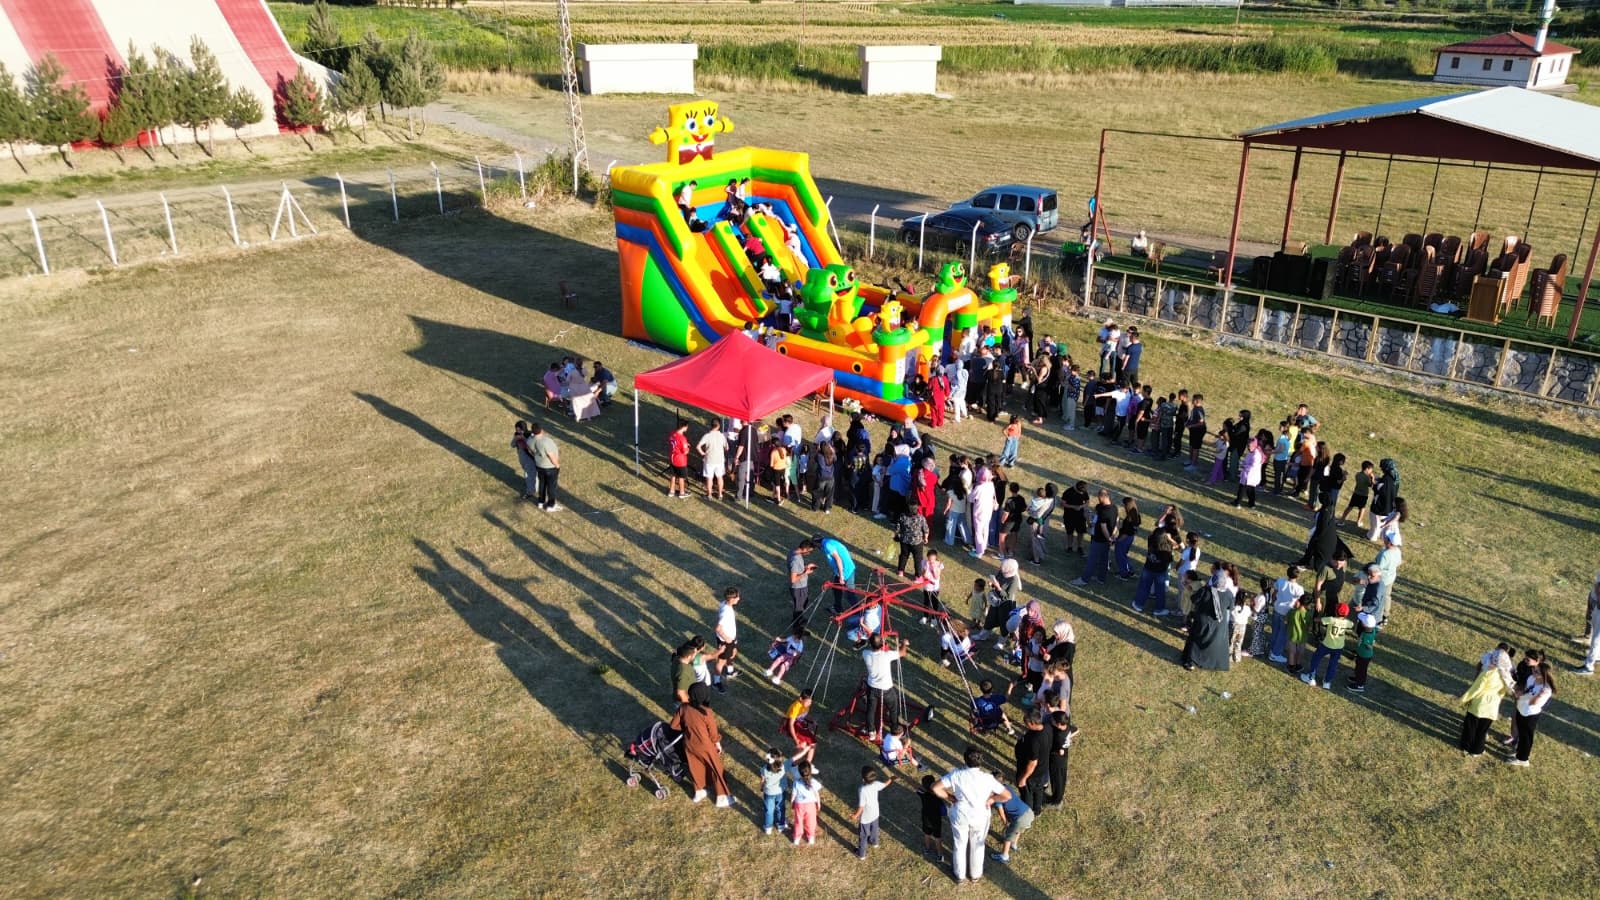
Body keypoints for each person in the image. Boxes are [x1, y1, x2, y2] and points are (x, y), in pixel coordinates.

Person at [933, 746, 1011, 884]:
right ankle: (975, 875)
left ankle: (959, 875)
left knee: (959, 844)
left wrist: (949, 797)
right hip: (980, 815)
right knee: (978, 845)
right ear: (981, 761)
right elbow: (1007, 795)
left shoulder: (956, 774)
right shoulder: (987, 778)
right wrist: (992, 799)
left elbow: (935, 787)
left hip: (960, 814)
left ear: (965, 760)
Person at [669, 682, 733, 806]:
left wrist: (687, 730)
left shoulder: (683, 708)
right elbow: (713, 734)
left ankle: (699, 791)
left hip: (689, 745)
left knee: (695, 767)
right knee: (716, 768)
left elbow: (673, 725)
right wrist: (717, 744)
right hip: (706, 746)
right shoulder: (706, 712)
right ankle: (722, 797)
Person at [1459, 649, 1515, 756]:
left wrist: (1465, 699)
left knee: (1471, 727)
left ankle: (1466, 746)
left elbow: (1477, 688)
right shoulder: (1507, 677)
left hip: (1479, 704)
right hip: (1492, 707)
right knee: (1482, 730)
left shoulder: (1488, 672)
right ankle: (1477, 750)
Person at [1509, 661, 1556, 766]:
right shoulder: (1531, 678)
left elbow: (1533, 703)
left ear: (1544, 675)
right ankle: (1519, 753)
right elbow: (1524, 689)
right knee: (1521, 733)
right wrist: (1517, 692)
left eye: (1537, 672)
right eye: (1534, 670)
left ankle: (1523, 759)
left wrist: (1535, 696)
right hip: (1521, 708)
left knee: (1526, 737)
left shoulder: (1546, 689)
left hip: (1530, 714)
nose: (1533, 672)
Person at [1181, 573, 1231, 671]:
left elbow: (1194, 599)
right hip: (1218, 624)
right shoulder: (1228, 594)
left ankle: (1190, 662)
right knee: (1212, 644)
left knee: (1195, 642)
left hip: (1203, 622)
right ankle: (1213, 663)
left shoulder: (1205, 591)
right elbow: (1230, 607)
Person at [861, 633, 905, 742]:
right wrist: (904, 644)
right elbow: (903, 653)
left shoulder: (865, 653)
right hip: (886, 689)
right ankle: (895, 728)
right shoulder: (887, 655)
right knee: (893, 708)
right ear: (882, 644)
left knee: (870, 709)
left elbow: (873, 646)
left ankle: (871, 731)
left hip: (872, 688)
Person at [1299, 602, 1354, 689]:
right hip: (1339, 647)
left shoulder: (1331, 619)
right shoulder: (1347, 623)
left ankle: (1311, 677)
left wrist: (1316, 617)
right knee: (1333, 664)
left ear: (1336, 612)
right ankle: (1327, 682)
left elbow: (1318, 620)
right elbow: (1352, 624)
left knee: (1316, 658)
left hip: (1326, 645)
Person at [1071, 489, 1116, 586]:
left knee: (1091, 560)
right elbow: (1116, 522)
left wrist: (1108, 538)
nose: (1098, 499)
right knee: (1104, 559)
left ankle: (1084, 579)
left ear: (1104, 497)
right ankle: (1101, 578)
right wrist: (1112, 537)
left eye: (1099, 497)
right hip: (1108, 539)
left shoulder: (1104, 511)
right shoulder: (1114, 508)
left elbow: (1103, 527)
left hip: (1099, 539)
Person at [1012, 710, 1051, 815]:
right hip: (1043, 769)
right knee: (1038, 790)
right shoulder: (1047, 728)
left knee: (1027, 793)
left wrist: (1023, 778)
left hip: (1032, 774)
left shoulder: (1035, 741)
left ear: (1033, 723)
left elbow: (1032, 763)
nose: (1026, 725)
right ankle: (1037, 809)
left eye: (1027, 724)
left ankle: (1027, 811)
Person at [849, 767, 892, 859]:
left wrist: (855, 816)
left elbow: (861, 806)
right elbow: (885, 784)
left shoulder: (862, 790)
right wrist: (891, 779)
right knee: (874, 829)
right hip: (875, 813)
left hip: (866, 818)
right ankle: (874, 842)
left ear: (863, 779)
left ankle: (861, 854)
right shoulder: (876, 784)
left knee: (863, 835)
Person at [989, 781, 1035, 866]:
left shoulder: (998, 797)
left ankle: (1004, 856)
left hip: (1020, 818)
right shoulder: (1007, 787)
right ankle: (1014, 844)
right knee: (1017, 831)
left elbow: (1001, 812)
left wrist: (1005, 824)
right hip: (1029, 812)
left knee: (1008, 835)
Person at [1269, 566, 1304, 664]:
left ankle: (1272, 647)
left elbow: (1274, 594)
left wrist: (1273, 602)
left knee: (1275, 630)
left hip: (1277, 609)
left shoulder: (1280, 581)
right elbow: (1298, 603)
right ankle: (1275, 654)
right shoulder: (1299, 589)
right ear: (1297, 576)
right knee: (1283, 634)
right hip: (1287, 613)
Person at [785, 757, 823, 845]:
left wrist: (792, 803)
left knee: (798, 821)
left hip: (799, 805)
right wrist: (819, 803)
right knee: (811, 821)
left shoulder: (796, 782)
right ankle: (811, 837)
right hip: (811, 806)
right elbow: (816, 794)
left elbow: (793, 795)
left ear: (799, 772)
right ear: (810, 771)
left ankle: (797, 838)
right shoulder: (813, 782)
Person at [711, 587, 741, 693]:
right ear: (731, 599)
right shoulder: (726, 612)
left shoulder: (724, 603)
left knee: (733, 653)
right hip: (725, 640)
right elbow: (718, 628)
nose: (739, 598)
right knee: (721, 662)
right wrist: (726, 638)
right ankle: (716, 682)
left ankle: (730, 671)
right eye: (737, 597)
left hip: (731, 638)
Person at [759, 749, 796, 835]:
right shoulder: (784, 767)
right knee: (780, 808)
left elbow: (762, 781)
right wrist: (806, 749)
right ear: (779, 759)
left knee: (769, 810)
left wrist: (761, 788)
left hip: (768, 793)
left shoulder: (764, 769)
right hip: (780, 792)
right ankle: (781, 825)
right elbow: (794, 758)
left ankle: (768, 828)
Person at [819, 534, 856, 615]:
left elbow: (838, 559)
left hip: (846, 571)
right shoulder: (829, 541)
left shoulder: (827, 545)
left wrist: (841, 576)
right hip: (843, 570)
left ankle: (859, 613)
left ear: (817, 543)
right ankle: (838, 608)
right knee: (836, 589)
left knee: (850, 594)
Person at [782, 687, 818, 768]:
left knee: (803, 745)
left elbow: (804, 715)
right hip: (792, 725)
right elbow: (791, 724)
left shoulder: (806, 705)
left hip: (799, 723)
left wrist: (811, 720)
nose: (810, 703)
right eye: (808, 701)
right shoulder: (796, 707)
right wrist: (796, 740)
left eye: (811, 701)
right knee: (813, 743)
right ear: (801, 699)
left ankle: (794, 765)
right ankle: (807, 765)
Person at [528, 423, 561, 511]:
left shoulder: (530, 440)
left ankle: (541, 502)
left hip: (539, 466)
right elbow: (551, 455)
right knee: (551, 486)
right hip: (550, 467)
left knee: (542, 484)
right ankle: (551, 505)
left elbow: (530, 450)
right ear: (542, 430)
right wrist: (557, 465)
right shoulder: (545, 441)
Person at [1045, 710, 1075, 806]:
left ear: (1058, 724)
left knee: (1057, 780)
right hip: (1064, 756)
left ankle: (1056, 801)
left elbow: (1060, 751)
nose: (1051, 721)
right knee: (1061, 777)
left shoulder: (1059, 736)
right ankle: (1058, 796)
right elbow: (1076, 730)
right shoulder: (1067, 726)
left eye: (1053, 721)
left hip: (1057, 760)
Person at [786, 538, 817, 630]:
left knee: (803, 603)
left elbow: (796, 569)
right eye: (809, 551)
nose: (809, 553)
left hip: (801, 587)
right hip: (798, 588)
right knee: (799, 607)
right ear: (804, 549)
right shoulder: (795, 560)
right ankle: (797, 626)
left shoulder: (793, 552)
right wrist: (805, 573)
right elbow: (793, 579)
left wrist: (806, 567)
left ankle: (799, 619)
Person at [1347, 611, 1379, 692]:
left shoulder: (1367, 635)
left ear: (1364, 625)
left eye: (1362, 621)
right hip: (1362, 654)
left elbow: (1369, 646)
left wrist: (1369, 645)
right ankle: (1358, 679)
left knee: (1361, 669)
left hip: (1364, 656)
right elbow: (1376, 629)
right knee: (1359, 667)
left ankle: (1359, 685)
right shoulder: (1373, 630)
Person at [917, 775, 946, 862]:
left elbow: (917, 789)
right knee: (937, 837)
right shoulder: (938, 795)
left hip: (925, 817)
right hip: (936, 818)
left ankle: (927, 848)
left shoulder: (922, 794)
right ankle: (940, 855)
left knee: (926, 834)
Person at [697, 422, 729, 500]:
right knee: (720, 477)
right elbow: (727, 448)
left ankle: (709, 495)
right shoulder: (722, 436)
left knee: (709, 478)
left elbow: (698, 446)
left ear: (711, 425)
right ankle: (720, 494)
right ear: (719, 426)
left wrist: (703, 453)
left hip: (709, 460)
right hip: (720, 460)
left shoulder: (707, 436)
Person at [1112, 496, 1141, 581]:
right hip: (1130, 538)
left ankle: (1124, 574)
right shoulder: (1137, 515)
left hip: (1124, 538)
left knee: (1120, 556)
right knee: (1124, 555)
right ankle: (1130, 570)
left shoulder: (1129, 519)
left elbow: (1126, 532)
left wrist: (1117, 540)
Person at [894, 509, 929, 580]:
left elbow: (897, 528)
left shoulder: (903, 516)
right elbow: (926, 529)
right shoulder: (921, 518)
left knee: (904, 555)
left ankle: (901, 571)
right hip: (917, 542)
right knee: (918, 559)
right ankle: (918, 576)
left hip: (904, 540)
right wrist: (926, 538)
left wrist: (896, 535)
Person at [1233, 437, 1264, 508]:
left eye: (1249, 446)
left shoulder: (1257, 455)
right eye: (1248, 446)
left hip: (1251, 475)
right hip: (1247, 474)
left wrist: (1243, 465)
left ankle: (1238, 503)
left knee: (1244, 489)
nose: (1248, 448)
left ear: (1254, 446)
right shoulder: (1251, 452)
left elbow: (1253, 466)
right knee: (1248, 489)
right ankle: (1251, 504)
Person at [1061, 480, 1089, 557]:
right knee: (1070, 532)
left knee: (1081, 532)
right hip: (1069, 516)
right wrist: (1073, 507)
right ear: (1079, 487)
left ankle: (1080, 547)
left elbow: (1087, 502)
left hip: (1080, 516)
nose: (1085, 491)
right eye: (1084, 489)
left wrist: (1081, 506)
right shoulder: (1068, 492)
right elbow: (1062, 503)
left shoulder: (1084, 492)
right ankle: (1070, 547)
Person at [511, 420, 538, 501]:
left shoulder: (530, 435)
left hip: (530, 458)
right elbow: (512, 445)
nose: (518, 431)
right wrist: (516, 438)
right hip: (522, 458)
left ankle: (530, 492)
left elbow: (533, 447)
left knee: (529, 474)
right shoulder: (516, 435)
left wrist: (524, 438)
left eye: (520, 429)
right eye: (517, 429)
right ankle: (534, 487)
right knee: (531, 474)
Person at [666, 421, 691, 498]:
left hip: (672, 457)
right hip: (680, 460)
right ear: (684, 427)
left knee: (673, 475)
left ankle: (671, 491)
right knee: (681, 476)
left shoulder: (672, 434)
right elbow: (685, 451)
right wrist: (688, 446)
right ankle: (682, 492)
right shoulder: (682, 438)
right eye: (687, 426)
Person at [1228, 593, 1252, 664]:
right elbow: (1249, 615)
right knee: (1239, 642)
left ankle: (1229, 657)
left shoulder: (1235, 607)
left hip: (1234, 626)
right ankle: (1237, 657)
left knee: (1231, 641)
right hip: (1242, 627)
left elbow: (1231, 614)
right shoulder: (1247, 608)